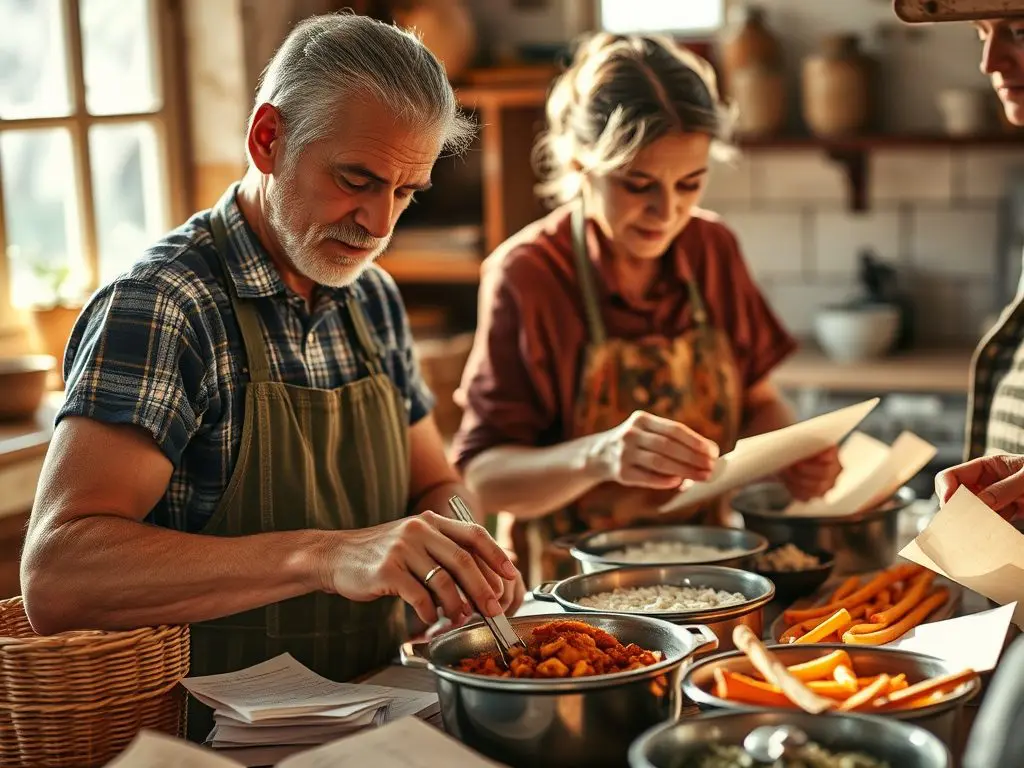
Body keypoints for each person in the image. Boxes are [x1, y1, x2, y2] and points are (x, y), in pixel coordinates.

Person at [18, 13, 524, 740]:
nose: (379, 222)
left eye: (407, 192)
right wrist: (323, 555)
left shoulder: (370, 299)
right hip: (201, 740)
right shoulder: (165, 306)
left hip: (374, 718)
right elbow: (58, 577)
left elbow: (433, 484)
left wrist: (469, 547)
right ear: (267, 139)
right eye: (356, 179)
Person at [450, 33, 842, 584]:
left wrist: (794, 454)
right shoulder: (528, 275)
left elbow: (758, 403)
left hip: (708, 572)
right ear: (581, 164)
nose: (667, 211)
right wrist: (598, 455)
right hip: (570, 589)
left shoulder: (711, 249)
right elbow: (486, 478)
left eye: (690, 183)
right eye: (639, 185)